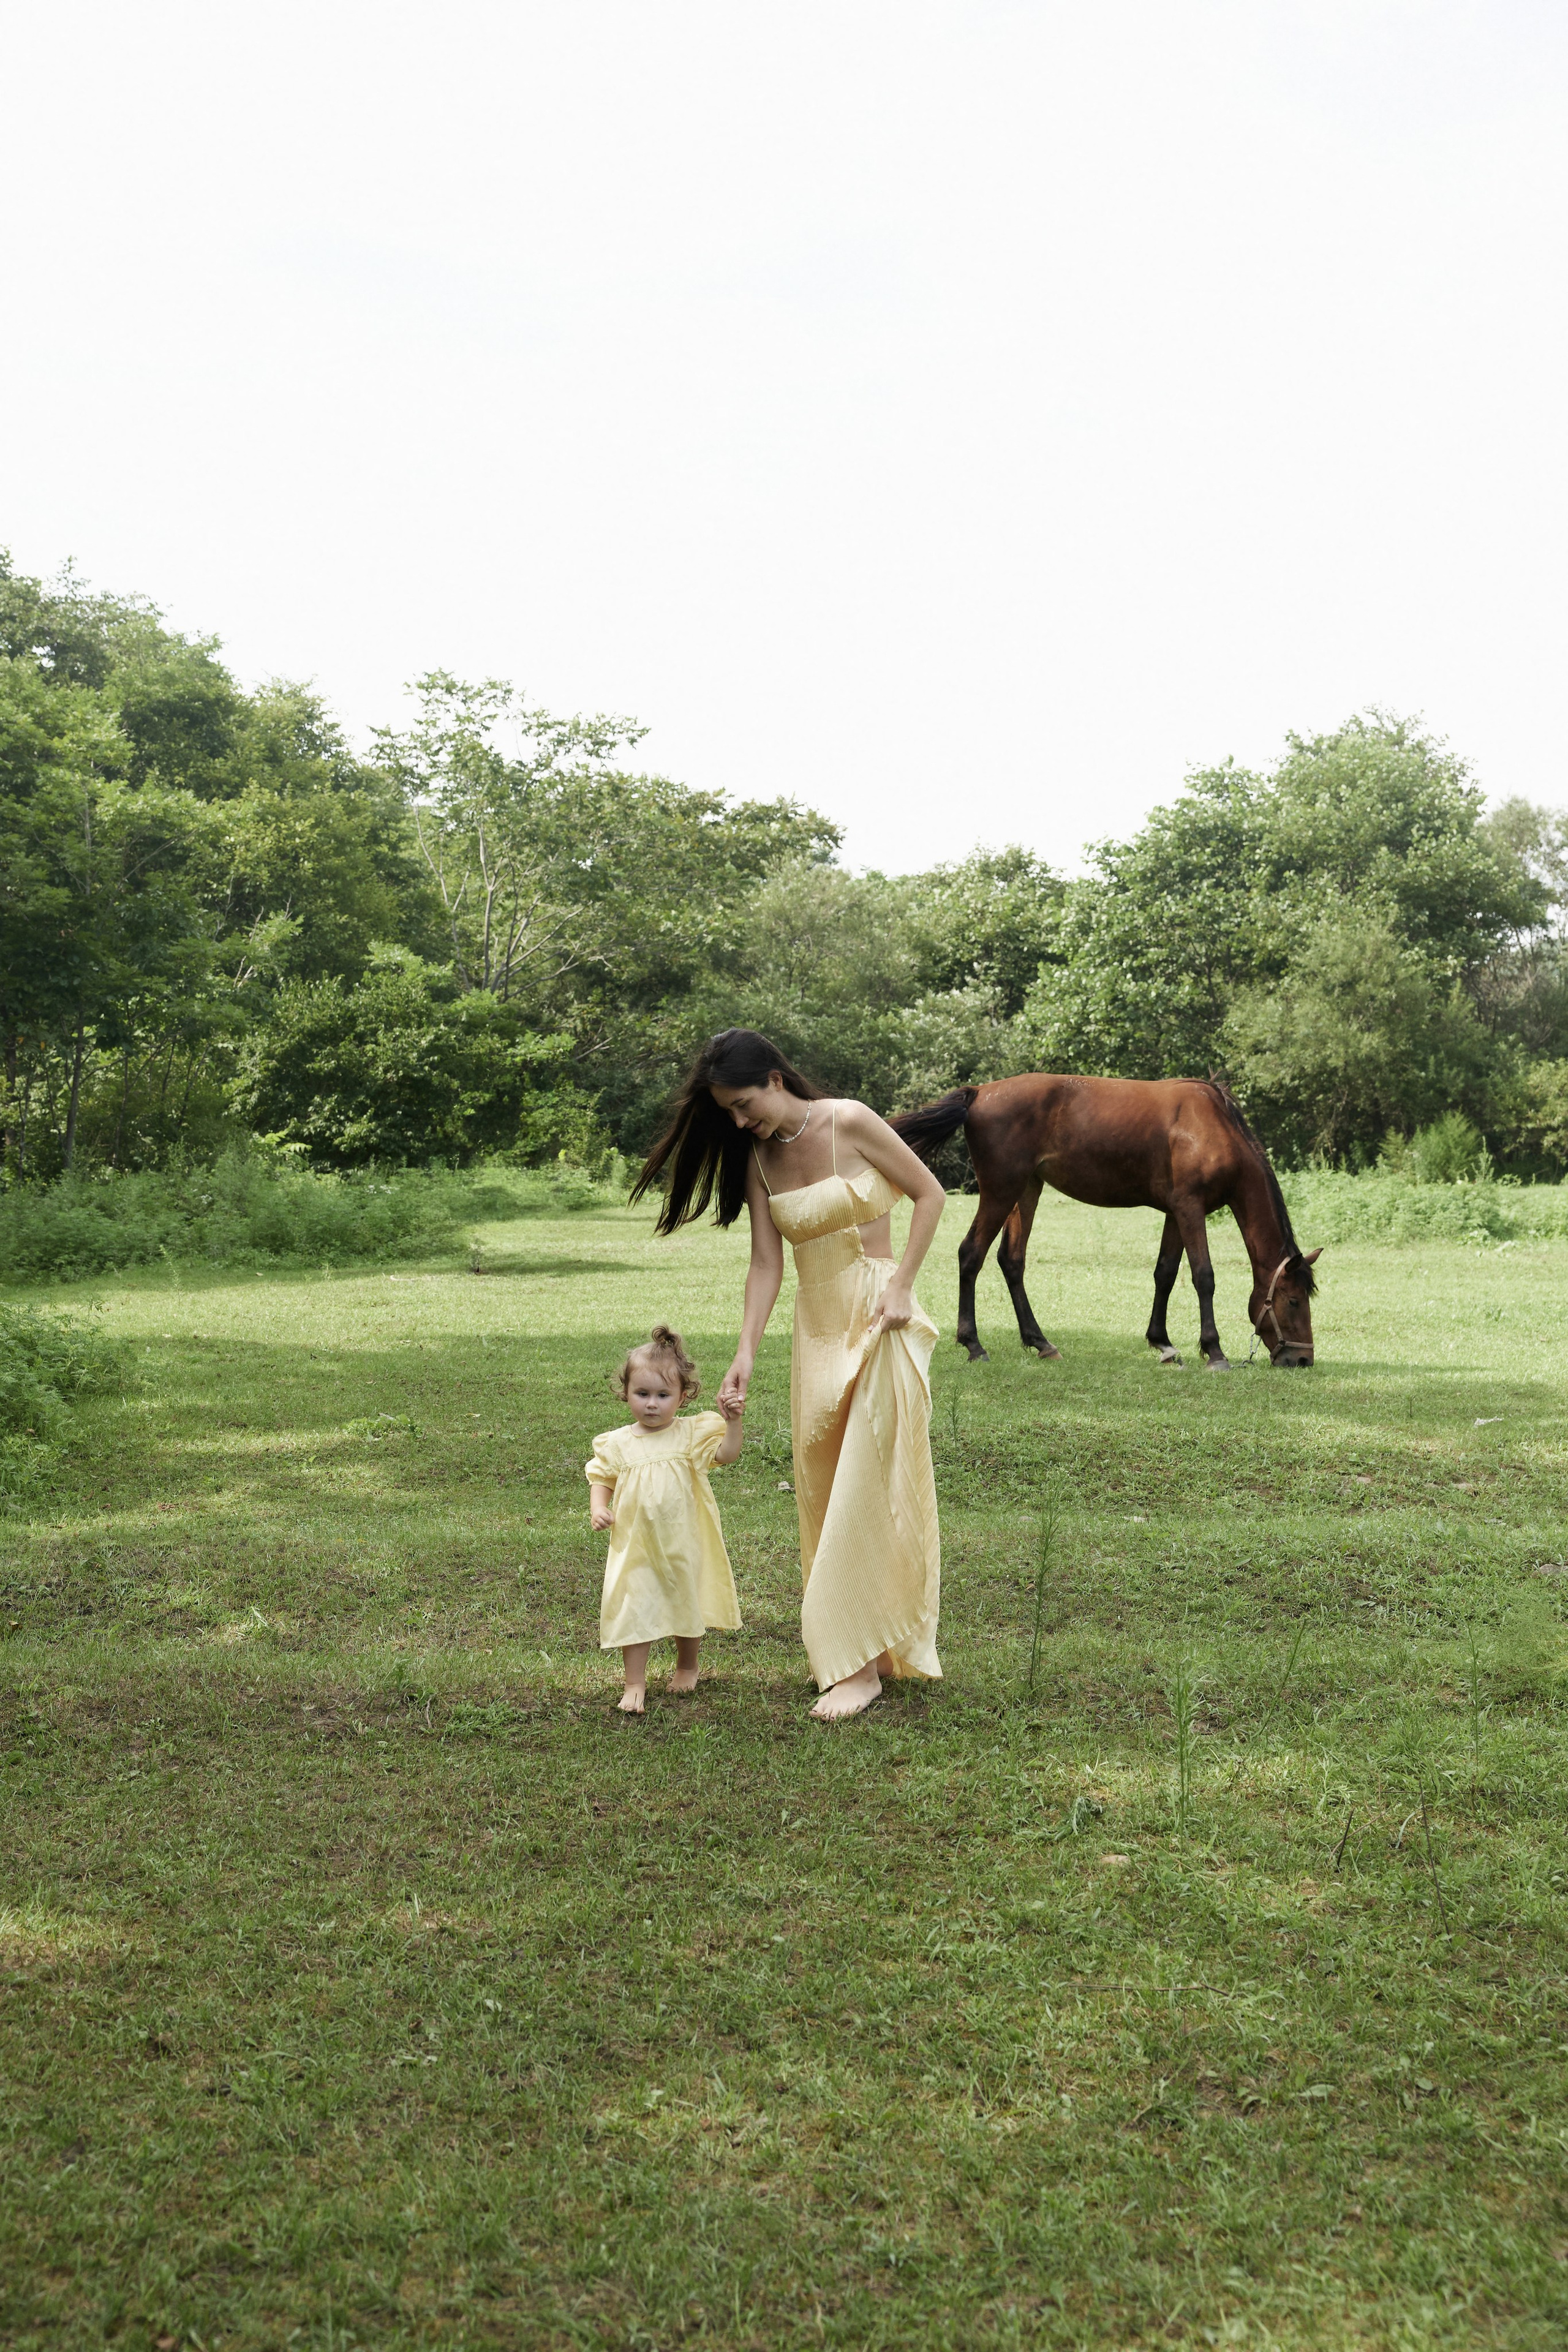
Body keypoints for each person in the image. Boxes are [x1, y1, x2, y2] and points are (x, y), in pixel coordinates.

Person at [632, 1030, 946, 1721]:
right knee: (823, 1487)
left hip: (877, 1318)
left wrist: (902, 1287)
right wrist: (746, 1351)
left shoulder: (852, 1121)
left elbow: (931, 1195)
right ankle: (866, 1648)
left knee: (866, 1484)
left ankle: (860, 1669)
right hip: (816, 1329)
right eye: (730, 1114)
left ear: (776, 1079)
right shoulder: (759, 1160)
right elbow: (766, 1265)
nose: (742, 1122)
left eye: (745, 1105)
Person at [586, 1324, 744, 1714]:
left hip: (682, 1540)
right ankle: (634, 1683)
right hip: (636, 1543)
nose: (652, 1404)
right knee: (635, 1604)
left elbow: (726, 1455)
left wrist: (734, 1422)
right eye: (642, 1394)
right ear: (625, 1393)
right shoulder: (619, 1442)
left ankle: (687, 1666)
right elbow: (601, 1477)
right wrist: (598, 1508)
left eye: (663, 1395)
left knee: (683, 1598)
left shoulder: (691, 1434)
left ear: (683, 1397)